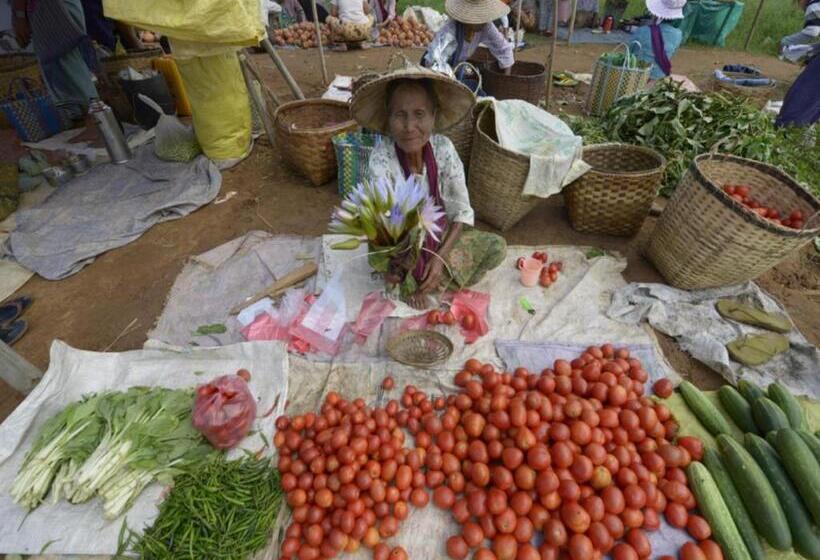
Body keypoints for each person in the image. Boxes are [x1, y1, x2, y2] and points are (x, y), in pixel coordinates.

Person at [350, 64, 507, 308]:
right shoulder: (381, 158)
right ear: (388, 119)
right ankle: (417, 280)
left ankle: (430, 277)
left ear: (434, 116)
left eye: (419, 114)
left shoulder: (443, 149)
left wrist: (439, 259)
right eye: (400, 115)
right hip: (401, 245)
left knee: (496, 248)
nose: (410, 126)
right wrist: (400, 262)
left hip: (439, 235)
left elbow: (461, 213)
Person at [10, 0, 99, 120]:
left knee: (64, 63)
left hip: (50, 7)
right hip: (58, 6)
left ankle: (94, 122)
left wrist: (19, 15)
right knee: (70, 61)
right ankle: (91, 120)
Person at [422, 0, 514, 84]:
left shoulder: (486, 26)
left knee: (475, 77)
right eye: (479, 17)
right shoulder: (451, 31)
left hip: (459, 67)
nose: (483, 21)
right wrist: (453, 82)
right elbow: (433, 62)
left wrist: (506, 79)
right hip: (437, 71)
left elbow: (504, 48)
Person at [629, 0, 686, 80]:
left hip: (637, 77)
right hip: (659, 78)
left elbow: (630, 54)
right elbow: (672, 54)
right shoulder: (678, 34)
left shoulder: (642, 31)